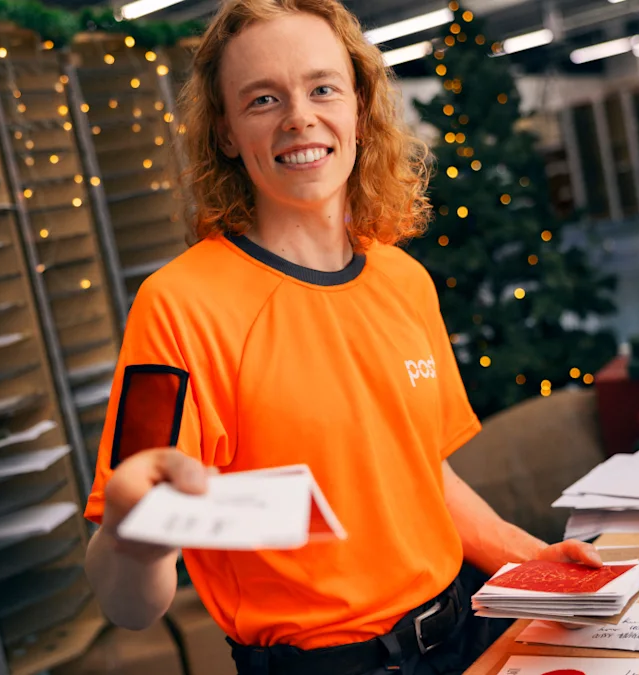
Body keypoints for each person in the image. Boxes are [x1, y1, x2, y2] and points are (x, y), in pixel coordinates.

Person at [82, 1, 602, 673]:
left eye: (322, 88)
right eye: (263, 99)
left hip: (465, 630)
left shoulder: (402, 277)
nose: (299, 116)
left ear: (358, 105)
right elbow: (129, 603)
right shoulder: (179, 308)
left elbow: (420, 474)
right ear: (227, 133)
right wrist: (135, 532)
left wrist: (527, 556)